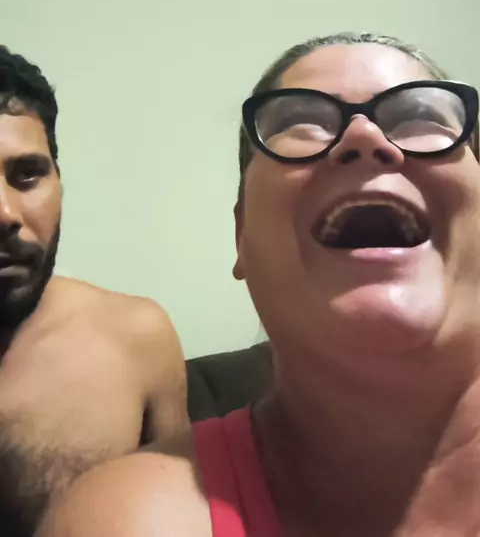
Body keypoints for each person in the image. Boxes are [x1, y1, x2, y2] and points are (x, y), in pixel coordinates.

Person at [38, 32, 480, 537]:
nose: (364, 137)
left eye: (419, 116)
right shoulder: (126, 519)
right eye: (300, 122)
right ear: (241, 235)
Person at [0, 45, 189, 537]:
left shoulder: (136, 338)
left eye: (27, 175)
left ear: (59, 182)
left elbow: (184, 514)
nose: (5, 213)